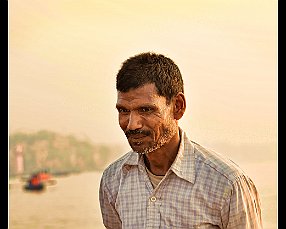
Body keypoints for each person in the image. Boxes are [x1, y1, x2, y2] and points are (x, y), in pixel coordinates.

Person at [99, 52, 263, 228]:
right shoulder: (113, 180)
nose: (132, 124)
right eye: (124, 111)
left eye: (145, 110)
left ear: (178, 106)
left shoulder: (228, 184)